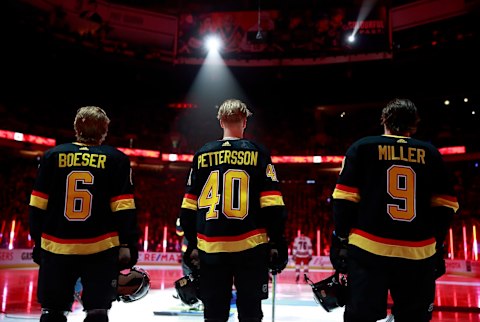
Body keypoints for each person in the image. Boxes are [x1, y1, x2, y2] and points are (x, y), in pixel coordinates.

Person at [329, 98, 459, 322]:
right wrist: (436, 244)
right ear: (414, 124)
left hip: (368, 251)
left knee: (360, 317)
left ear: (384, 120)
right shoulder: (431, 153)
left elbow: (344, 199)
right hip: (418, 254)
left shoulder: (362, 147)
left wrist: (340, 239)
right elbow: (446, 206)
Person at [179, 98, 288, 322]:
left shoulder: (202, 154)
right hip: (251, 247)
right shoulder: (258, 153)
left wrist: (191, 243)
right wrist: (277, 240)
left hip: (211, 248)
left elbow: (189, 206)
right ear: (245, 121)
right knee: (250, 312)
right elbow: (272, 203)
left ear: (220, 121)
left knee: (214, 313)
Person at [29, 106, 140, 322]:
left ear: (76, 128)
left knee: (52, 310)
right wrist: (127, 244)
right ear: (104, 130)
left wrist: (37, 241)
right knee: (97, 310)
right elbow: (123, 207)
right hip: (101, 249)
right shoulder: (116, 159)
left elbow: (36, 206)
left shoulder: (52, 156)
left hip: (56, 247)